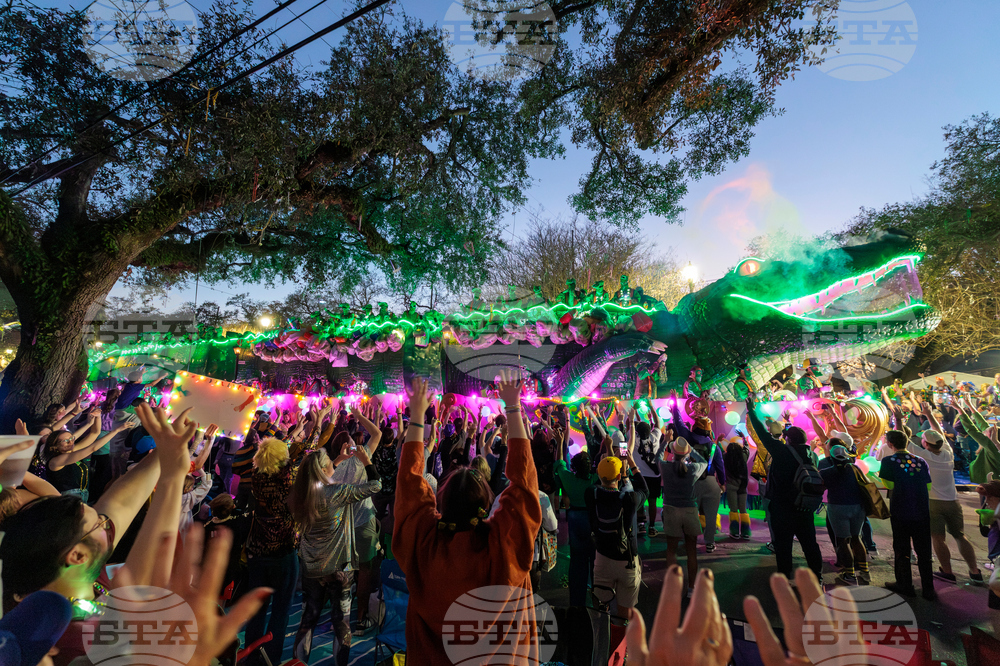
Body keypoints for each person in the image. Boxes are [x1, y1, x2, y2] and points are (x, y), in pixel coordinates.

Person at [393, 373, 542, 665]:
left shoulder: (424, 546)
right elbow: (525, 486)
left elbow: (408, 484)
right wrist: (513, 407)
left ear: (442, 502)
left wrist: (418, 416)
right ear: (486, 503)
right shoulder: (502, 547)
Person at [288, 445, 382, 664]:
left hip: (312, 567)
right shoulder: (337, 492)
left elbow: (321, 474)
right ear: (322, 470)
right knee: (341, 623)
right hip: (340, 568)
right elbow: (376, 485)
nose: (333, 464)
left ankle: (298, 664)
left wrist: (338, 460)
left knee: (307, 620)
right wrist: (366, 461)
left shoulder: (299, 494)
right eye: (330, 462)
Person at [746, 396, 823, 581]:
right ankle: (817, 575)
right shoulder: (810, 455)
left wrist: (751, 411)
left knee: (783, 545)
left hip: (783, 507)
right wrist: (789, 423)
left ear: (787, 440)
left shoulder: (782, 452)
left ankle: (786, 577)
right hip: (804, 506)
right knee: (810, 544)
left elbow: (762, 433)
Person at [905, 404, 984, 585]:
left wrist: (899, 419)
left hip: (933, 503)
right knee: (960, 536)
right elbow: (939, 432)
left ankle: (947, 571)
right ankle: (975, 571)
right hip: (953, 501)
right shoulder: (948, 453)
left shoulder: (923, 455)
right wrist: (929, 414)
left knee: (938, 538)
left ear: (926, 444)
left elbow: (904, 440)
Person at [244, 437, 299, 666]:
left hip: (258, 551)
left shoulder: (256, 476)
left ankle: (249, 657)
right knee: (281, 610)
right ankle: (270, 659)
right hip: (283, 553)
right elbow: (301, 457)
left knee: (256, 608)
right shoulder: (287, 478)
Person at [329, 404, 383, 637]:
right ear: (349, 446)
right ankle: (361, 619)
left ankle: (339, 619)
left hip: (341, 525)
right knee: (366, 570)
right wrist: (360, 416)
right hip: (363, 523)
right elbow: (377, 433)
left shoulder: (331, 467)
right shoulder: (361, 460)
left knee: (344, 571)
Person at [586, 446, 648, 618]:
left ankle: (602, 632)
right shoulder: (629, 499)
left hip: (602, 557)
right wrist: (632, 464)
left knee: (600, 605)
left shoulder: (591, 494)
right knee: (625, 613)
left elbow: (598, 484)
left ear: (598, 474)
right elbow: (644, 490)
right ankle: (621, 633)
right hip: (626, 560)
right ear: (619, 476)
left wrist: (608, 464)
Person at [879, 429, 936, 601]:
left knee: (902, 549)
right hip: (921, 511)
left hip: (901, 511)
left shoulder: (888, 461)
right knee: (924, 552)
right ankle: (928, 589)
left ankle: (905, 584)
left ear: (890, 444)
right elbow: (928, 486)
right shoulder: (920, 461)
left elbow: (889, 485)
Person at [671, 390, 725, 552]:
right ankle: (709, 543)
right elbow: (720, 467)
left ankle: (690, 540)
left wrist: (675, 403)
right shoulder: (714, 446)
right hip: (711, 482)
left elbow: (678, 422)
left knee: (691, 513)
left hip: (692, 482)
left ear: (695, 428)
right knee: (711, 514)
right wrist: (722, 483)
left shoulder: (688, 438)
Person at [554, 441, 599, 607]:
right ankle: (598, 600)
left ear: (574, 466)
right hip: (591, 520)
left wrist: (560, 444)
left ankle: (576, 602)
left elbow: (560, 464)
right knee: (595, 561)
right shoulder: (595, 480)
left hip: (574, 518)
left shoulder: (569, 479)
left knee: (577, 561)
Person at [817, 445, 869, 585]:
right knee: (857, 538)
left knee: (843, 540)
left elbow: (820, 488)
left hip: (837, 508)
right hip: (858, 507)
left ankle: (850, 575)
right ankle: (865, 572)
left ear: (832, 458)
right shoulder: (856, 469)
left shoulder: (826, 472)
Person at [659, 436, 706, 592]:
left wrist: (665, 441)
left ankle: (673, 586)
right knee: (691, 552)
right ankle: (691, 588)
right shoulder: (693, 469)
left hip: (671, 510)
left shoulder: (665, 467)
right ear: (687, 453)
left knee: (671, 550)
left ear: (673, 452)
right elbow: (704, 462)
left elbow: (657, 457)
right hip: (690, 511)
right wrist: (692, 451)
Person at [633, 404, 664, 537]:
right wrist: (651, 406)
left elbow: (629, 425)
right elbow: (657, 422)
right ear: (650, 430)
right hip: (654, 476)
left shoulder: (634, 440)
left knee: (640, 501)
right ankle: (651, 527)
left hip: (639, 476)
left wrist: (633, 410)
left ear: (637, 431)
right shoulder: (655, 437)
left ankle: (641, 525)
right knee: (652, 502)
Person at [723, 433, 751, 539]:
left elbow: (718, 450)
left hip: (731, 486)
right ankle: (745, 533)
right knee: (743, 510)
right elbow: (747, 448)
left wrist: (718, 441)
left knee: (733, 510)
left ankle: (734, 532)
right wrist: (744, 438)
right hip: (742, 486)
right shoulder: (743, 457)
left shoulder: (725, 457)